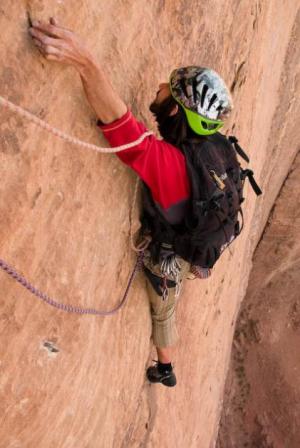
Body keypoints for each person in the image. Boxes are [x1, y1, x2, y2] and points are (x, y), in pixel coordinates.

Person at [29, 18, 234, 388]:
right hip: (205, 227)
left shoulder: (172, 168)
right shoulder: (212, 148)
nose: (159, 86)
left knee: (163, 306)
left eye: (168, 90)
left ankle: (166, 368)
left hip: (174, 254)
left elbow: (121, 126)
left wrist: (85, 61)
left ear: (175, 112)